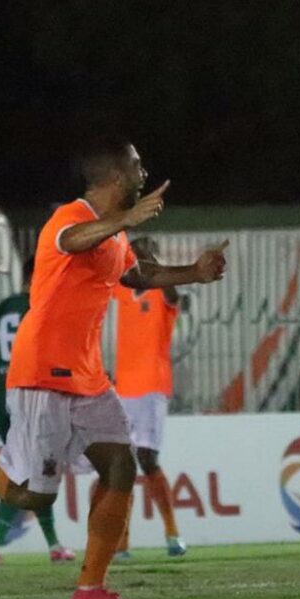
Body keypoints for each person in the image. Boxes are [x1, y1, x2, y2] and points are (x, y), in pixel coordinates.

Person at [0, 137, 227, 599]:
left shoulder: (113, 233)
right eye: (136, 166)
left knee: (120, 465)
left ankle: (90, 589)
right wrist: (126, 221)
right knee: (29, 496)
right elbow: (71, 243)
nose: (144, 173)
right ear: (114, 176)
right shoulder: (70, 218)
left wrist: (193, 271)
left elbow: (135, 275)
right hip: (42, 373)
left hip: (88, 377)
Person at [0, 256, 75, 565]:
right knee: (33, 471)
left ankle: (51, 545)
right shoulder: (40, 309)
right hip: (29, 397)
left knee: (31, 470)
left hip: (0, 396)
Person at [111, 237, 187, 558]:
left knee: (146, 458)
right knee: (121, 464)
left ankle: (172, 533)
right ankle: (122, 544)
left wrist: (149, 258)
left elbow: (174, 293)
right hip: (123, 388)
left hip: (152, 387)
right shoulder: (124, 291)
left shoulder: (163, 295)